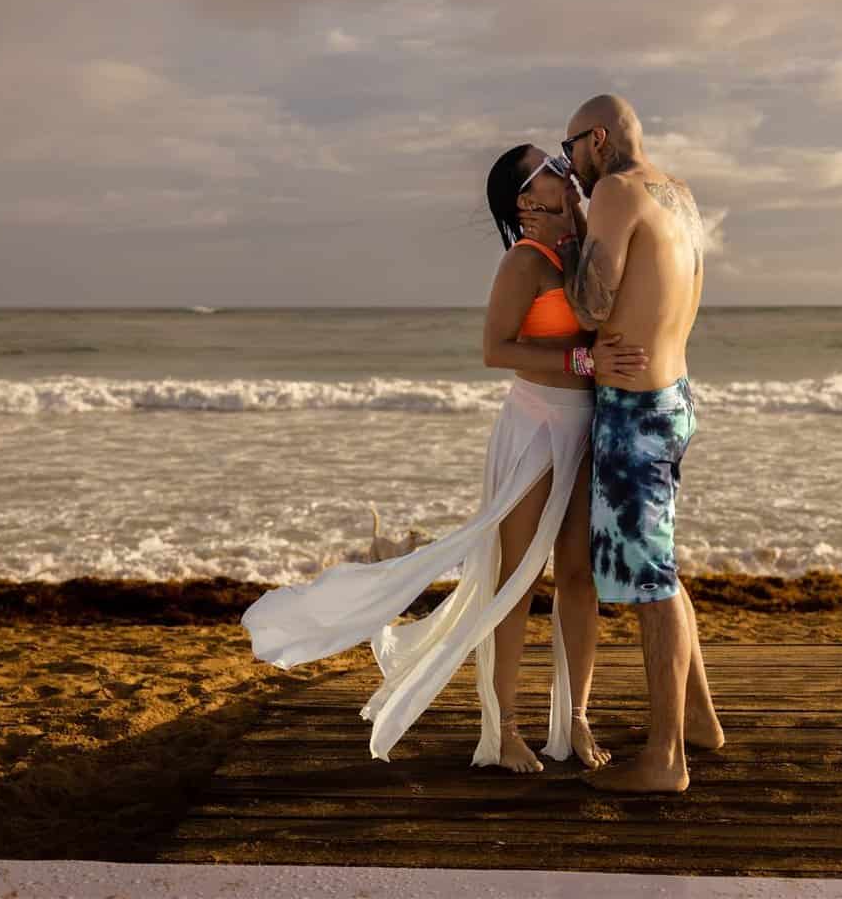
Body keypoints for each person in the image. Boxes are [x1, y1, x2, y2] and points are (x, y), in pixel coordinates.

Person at [241, 144, 646, 774]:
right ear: (525, 199)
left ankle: (574, 721)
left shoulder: (583, 248)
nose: (566, 173)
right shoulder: (523, 261)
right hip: (536, 428)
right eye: (551, 169)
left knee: (579, 579)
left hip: (589, 426)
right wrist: (585, 362)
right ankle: (506, 728)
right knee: (515, 581)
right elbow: (496, 350)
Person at [520, 94, 726, 795]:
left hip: (634, 409)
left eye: (570, 146)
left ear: (597, 139)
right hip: (675, 396)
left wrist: (571, 235)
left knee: (650, 585)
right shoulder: (679, 194)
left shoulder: (612, 190)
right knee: (659, 566)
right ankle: (697, 718)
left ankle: (666, 759)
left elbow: (591, 305)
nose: (568, 164)